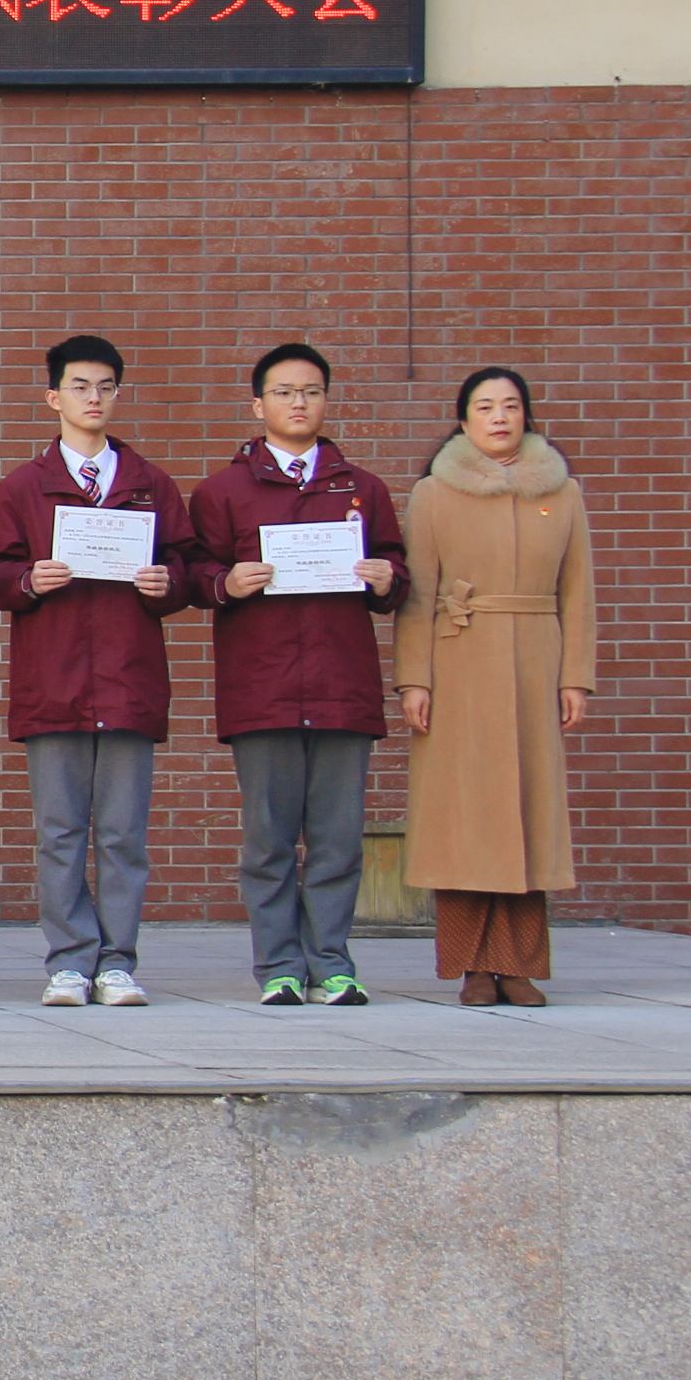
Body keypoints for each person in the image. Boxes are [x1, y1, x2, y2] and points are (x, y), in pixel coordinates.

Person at [0, 334, 197, 1009]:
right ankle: (70, 961)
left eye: (104, 386)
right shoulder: (23, 486)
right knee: (61, 832)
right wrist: (28, 579)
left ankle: (118, 962)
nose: (92, 398)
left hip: (128, 680)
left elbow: (188, 568)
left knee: (124, 834)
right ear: (53, 398)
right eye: (78, 386)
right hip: (54, 682)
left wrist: (167, 582)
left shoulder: (150, 485)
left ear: (117, 395)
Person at [186, 344, 408, 1008]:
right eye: (283, 392)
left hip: (342, 686)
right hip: (263, 689)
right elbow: (193, 573)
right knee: (269, 840)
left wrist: (386, 578)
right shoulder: (222, 492)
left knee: (337, 840)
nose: (298, 403)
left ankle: (332, 963)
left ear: (326, 401)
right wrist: (225, 582)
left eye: (310, 391)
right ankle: (279, 965)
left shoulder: (362, 489)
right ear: (258, 405)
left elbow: (396, 571)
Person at [394, 368, 594, 1006]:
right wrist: (414, 680)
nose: (499, 417)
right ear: (463, 421)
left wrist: (576, 677)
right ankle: (472, 965)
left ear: (527, 415)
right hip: (458, 664)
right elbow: (418, 594)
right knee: (464, 817)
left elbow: (578, 591)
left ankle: (519, 964)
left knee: (528, 814)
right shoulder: (433, 494)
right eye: (485, 407)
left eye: (510, 406)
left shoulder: (562, 493)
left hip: (536, 664)